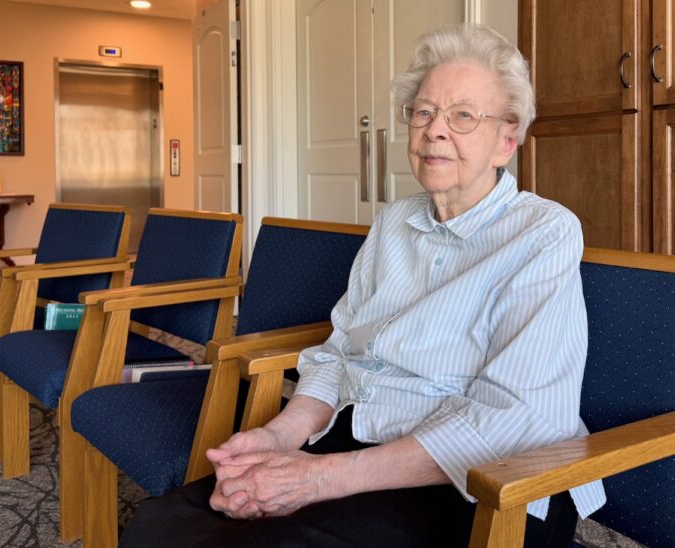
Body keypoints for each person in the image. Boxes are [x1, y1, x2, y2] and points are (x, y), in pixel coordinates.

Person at [119, 23, 606, 547]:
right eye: (424, 112)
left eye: (463, 116)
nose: (435, 131)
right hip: (363, 439)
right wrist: (280, 436)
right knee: (165, 523)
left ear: (506, 141)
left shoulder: (543, 233)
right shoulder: (394, 222)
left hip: (479, 484)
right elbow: (338, 354)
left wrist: (319, 478)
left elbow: (516, 419)